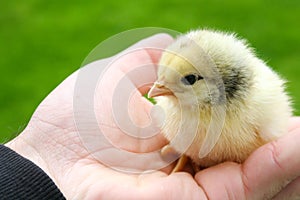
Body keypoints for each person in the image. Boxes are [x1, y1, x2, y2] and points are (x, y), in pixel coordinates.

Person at [1, 34, 300, 199]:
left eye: (186, 81)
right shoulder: (179, 109)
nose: (155, 90)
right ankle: (188, 159)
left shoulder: (258, 105)